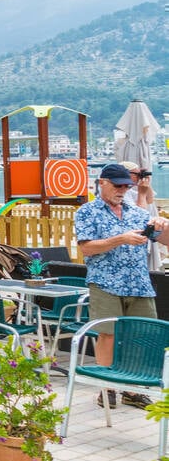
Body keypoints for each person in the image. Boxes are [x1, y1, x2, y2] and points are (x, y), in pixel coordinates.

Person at [75, 163, 169, 408]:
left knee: (142, 336)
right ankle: (107, 389)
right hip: (105, 282)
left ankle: (133, 389)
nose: (123, 190)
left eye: (127, 185)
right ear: (102, 182)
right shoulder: (87, 212)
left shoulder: (137, 213)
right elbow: (86, 248)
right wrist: (121, 239)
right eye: (118, 185)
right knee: (107, 335)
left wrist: (162, 225)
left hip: (138, 282)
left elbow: (165, 240)